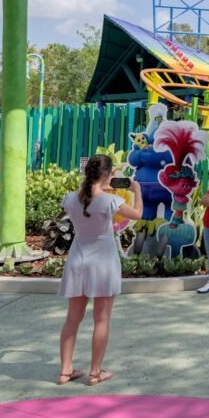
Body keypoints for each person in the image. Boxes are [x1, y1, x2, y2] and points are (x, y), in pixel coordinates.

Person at [57, 154, 142, 387]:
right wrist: (136, 190)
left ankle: (65, 371)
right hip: (103, 261)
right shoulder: (109, 201)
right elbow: (138, 215)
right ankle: (95, 373)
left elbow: (81, 199)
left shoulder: (71, 198)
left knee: (72, 319)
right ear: (107, 174)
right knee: (101, 319)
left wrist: (99, 184)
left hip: (77, 260)